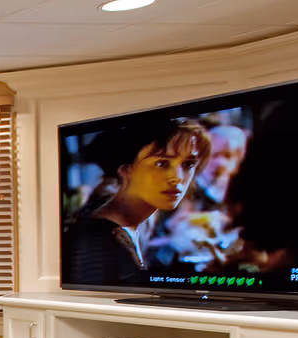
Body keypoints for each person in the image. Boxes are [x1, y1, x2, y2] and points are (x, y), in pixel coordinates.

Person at [63, 118, 210, 285]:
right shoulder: (101, 240)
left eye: (188, 164)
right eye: (162, 163)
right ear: (126, 168)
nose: (177, 177)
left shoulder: (127, 229)